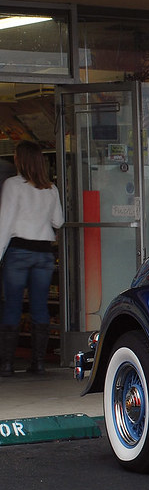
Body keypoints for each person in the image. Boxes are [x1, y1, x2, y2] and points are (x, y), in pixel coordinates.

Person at [0, 141, 64, 376]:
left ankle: (6, 365)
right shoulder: (51, 188)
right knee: (39, 308)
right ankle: (38, 363)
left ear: (20, 159)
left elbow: (4, 223)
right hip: (44, 254)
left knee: (13, 306)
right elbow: (59, 221)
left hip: (18, 251)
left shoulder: (13, 185)